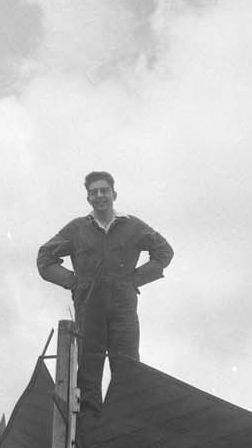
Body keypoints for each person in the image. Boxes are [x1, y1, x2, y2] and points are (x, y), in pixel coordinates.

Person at [36, 171, 173, 410]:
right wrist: (74, 282)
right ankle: (92, 426)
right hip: (89, 308)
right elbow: (45, 258)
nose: (99, 196)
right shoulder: (77, 229)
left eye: (104, 191)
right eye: (93, 192)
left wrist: (135, 280)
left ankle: (126, 422)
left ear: (114, 194)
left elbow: (164, 252)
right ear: (88, 199)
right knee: (89, 368)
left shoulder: (133, 226)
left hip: (123, 308)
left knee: (128, 366)